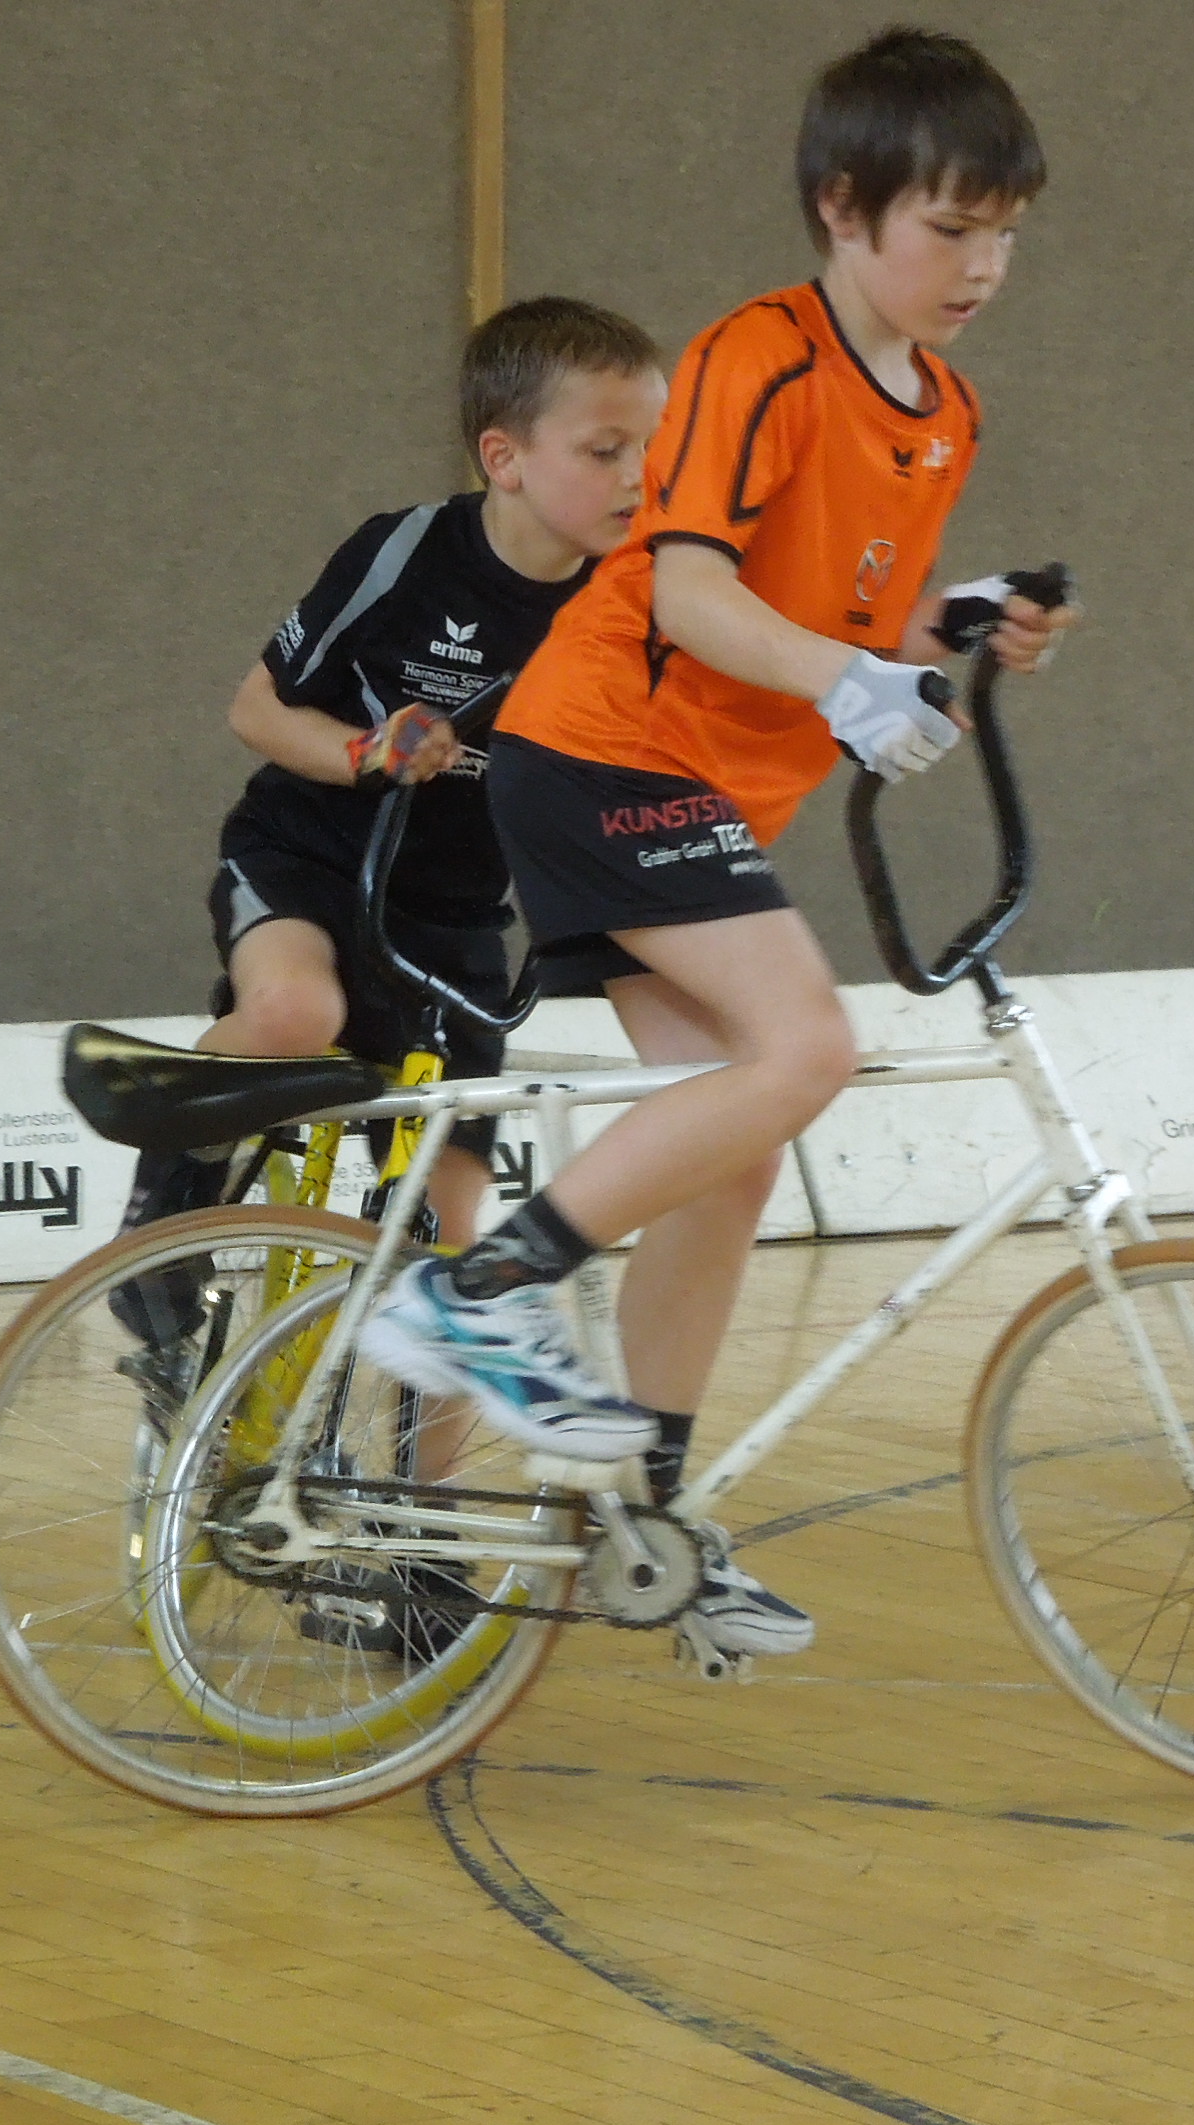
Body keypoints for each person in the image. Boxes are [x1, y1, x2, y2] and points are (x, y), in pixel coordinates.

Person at [357, 28, 1079, 1664]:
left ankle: (652, 1526)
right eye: (948, 228)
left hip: (705, 796)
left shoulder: (946, 410)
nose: (981, 266)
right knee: (805, 1047)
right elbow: (688, 594)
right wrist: (843, 680)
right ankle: (473, 1298)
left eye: (1005, 233)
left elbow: (845, 611)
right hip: (605, 752)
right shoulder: (756, 358)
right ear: (843, 208)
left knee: (734, 1147)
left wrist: (961, 623)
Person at [112, 296, 670, 1260]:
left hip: (455, 923)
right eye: (606, 450)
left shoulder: (640, 603)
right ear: (505, 459)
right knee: (296, 1013)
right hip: (309, 866)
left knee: (449, 1251)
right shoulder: (403, 553)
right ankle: (161, 1226)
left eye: (654, 449)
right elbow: (256, 710)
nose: (640, 477)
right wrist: (368, 753)